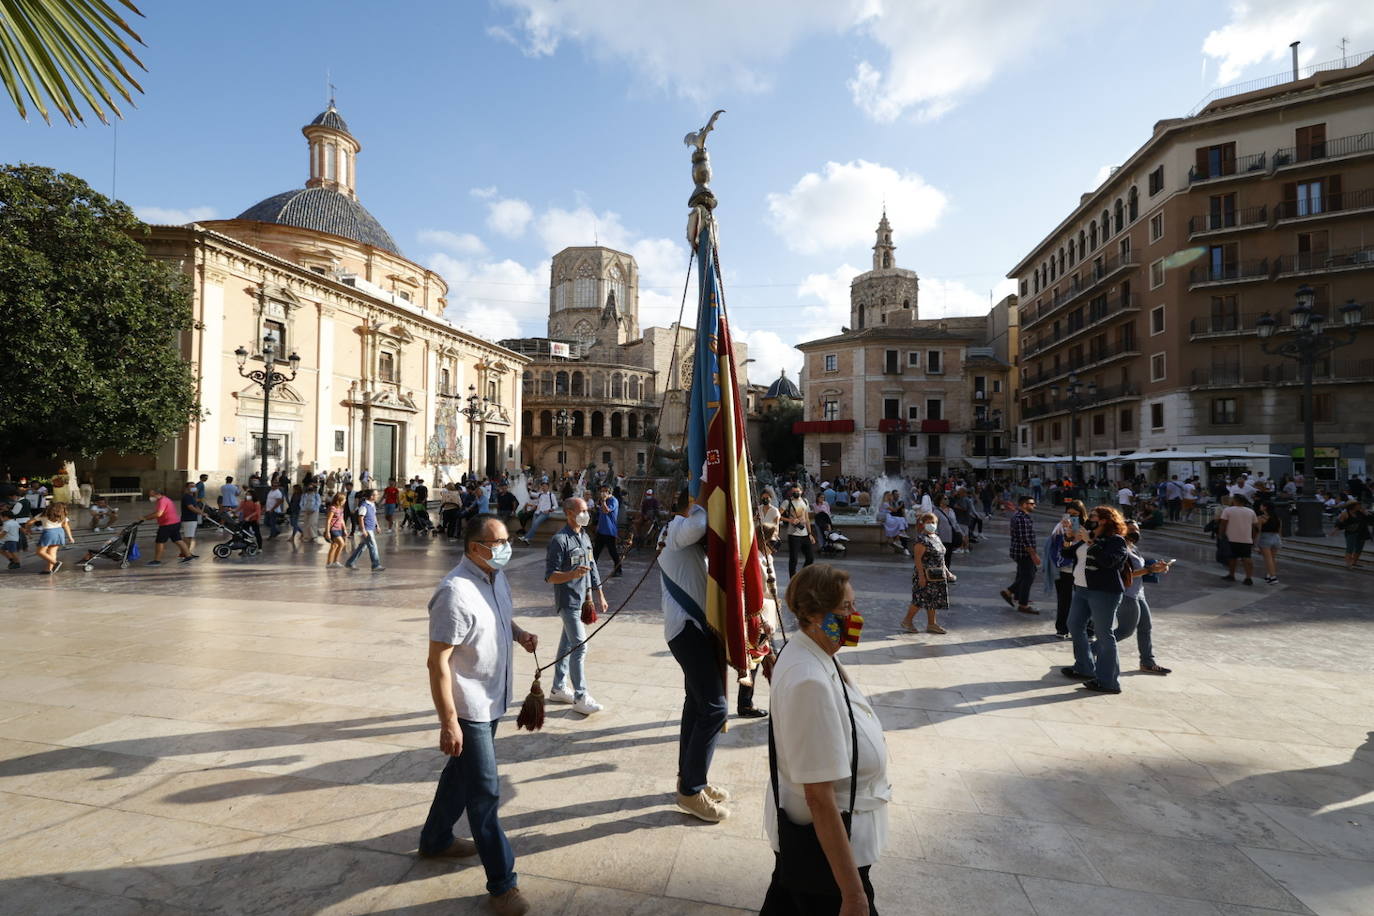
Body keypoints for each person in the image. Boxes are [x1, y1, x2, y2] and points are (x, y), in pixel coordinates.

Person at [418, 515, 536, 916]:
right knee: (485, 793)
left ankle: (435, 839)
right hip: (469, 708)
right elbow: (437, 663)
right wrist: (448, 721)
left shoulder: (493, 577)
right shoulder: (454, 593)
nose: (506, 547)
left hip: (493, 699)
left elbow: (496, 617)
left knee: (460, 776)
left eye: (508, 540)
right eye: (498, 541)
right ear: (474, 548)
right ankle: (503, 885)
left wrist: (517, 632)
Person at [760, 564, 890, 916]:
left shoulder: (817, 653)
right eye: (846, 608)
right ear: (816, 615)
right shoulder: (810, 681)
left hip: (817, 845)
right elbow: (819, 797)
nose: (855, 616)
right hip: (826, 852)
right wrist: (854, 895)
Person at [660, 485, 733, 821]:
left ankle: (689, 779)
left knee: (698, 704)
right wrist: (704, 492)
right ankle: (691, 790)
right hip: (687, 630)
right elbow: (699, 525)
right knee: (715, 709)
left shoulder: (677, 532)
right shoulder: (676, 528)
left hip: (692, 629)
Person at [544, 497, 608, 715]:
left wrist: (599, 593)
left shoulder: (584, 536)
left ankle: (558, 688)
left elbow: (592, 565)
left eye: (587, 510)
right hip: (568, 601)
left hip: (583, 600)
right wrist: (571, 574)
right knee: (580, 646)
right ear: (569, 513)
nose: (586, 513)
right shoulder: (559, 540)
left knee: (567, 645)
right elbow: (550, 576)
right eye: (581, 510)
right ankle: (581, 697)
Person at [1060, 505, 1130, 694]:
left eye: (1093, 516)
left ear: (1105, 520)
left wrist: (1091, 542)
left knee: (1104, 634)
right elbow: (1067, 554)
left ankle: (1108, 682)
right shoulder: (1089, 537)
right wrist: (1068, 537)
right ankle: (1084, 667)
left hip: (1104, 592)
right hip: (1081, 589)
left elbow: (1110, 562)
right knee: (1074, 625)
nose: (1089, 518)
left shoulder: (1116, 541)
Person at [1117, 521, 1172, 675]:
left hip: (1138, 593)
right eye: (1132, 529)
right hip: (1127, 594)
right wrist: (1149, 569)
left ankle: (1147, 662)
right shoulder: (1120, 548)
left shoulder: (1132, 547)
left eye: (1138, 530)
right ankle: (1087, 652)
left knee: (1145, 628)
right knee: (1124, 631)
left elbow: (1140, 568)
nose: (1136, 532)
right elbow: (1125, 574)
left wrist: (1156, 567)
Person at [902, 512, 951, 634]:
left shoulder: (936, 537)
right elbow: (917, 559)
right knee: (920, 599)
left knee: (933, 599)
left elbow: (941, 557)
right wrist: (921, 576)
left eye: (933, 522)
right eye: (928, 522)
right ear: (923, 524)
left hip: (937, 575)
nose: (931, 525)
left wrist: (947, 571)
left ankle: (932, 624)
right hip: (925, 574)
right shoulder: (921, 540)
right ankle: (907, 621)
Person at [1001, 495, 1040, 614]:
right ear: (1024, 505)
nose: (1034, 506)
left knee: (1023, 574)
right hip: (1023, 552)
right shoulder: (1022, 518)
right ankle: (1021, 603)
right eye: (1031, 504)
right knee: (1028, 576)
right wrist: (1034, 555)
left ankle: (1018, 596)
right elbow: (1025, 539)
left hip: (1018, 551)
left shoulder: (1020, 516)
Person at [142, 485, 196, 566]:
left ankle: (157, 560)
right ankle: (188, 556)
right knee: (178, 540)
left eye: (151, 494)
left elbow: (158, 513)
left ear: (156, 494)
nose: (150, 496)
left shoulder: (162, 501)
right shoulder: (165, 499)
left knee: (159, 542)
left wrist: (145, 518)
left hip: (167, 524)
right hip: (175, 523)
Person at [1219, 494, 1258, 585]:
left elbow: (1223, 524)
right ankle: (1248, 577)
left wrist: (1221, 535)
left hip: (1231, 538)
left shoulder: (1228, 510)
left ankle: (1231, 575)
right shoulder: (1251, 511)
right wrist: (1253, 538)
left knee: (1232, 558)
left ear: (1235, 501)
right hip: (1246, 538)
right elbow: (1255, 527)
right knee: (1247, 558)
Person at [26, 502, 74, 574]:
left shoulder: (43, 515)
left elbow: (29, 522)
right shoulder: (62, 515)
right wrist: (70, 537)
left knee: (40, 552)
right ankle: (48, 570)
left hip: (49, 533)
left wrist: (28, 529)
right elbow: (66, 526)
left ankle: (55, 563)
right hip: (60, 532)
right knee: (52, 552)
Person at [779, 485, 815, 577]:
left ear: (801, 491)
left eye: (797, 491)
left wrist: (810, 534)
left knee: (810, 557)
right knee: (794, 559)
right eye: (794, 491)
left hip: (805, 534)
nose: (796, 493)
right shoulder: (787, 502)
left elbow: (807, 518)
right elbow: (778, 516)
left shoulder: (805, 501)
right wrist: (790, 520)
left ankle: (802, 575)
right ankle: (793, 578)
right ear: (791, 492)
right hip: (793, 535)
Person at [345, 489, 384, 571]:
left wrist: (377, 526)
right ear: (371, 496)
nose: (377, 496)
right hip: (367, 529)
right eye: (376, 495)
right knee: (373, 547)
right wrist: (363, 530)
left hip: (370, 528)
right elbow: (360, 518)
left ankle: (350, 562)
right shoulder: (364, 505)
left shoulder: (372, 504)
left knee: (362, 547)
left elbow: (374, 516)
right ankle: (375, 565)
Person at [591, 484, 622, 578]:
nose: (602, 493)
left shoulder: (613, 500)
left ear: (609, 492)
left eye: (604, 491)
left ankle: (618, 570)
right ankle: (591, 569)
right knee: (596, 551)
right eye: (601, 491)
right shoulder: (603, 500)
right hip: (601, 531)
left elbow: (606, 511)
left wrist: (603, 501)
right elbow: (601, 514)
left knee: (613, 552)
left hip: (609, 531)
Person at [1336, 500, 1372, 569]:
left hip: (1362, 532)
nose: (1360, 506)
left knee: (1359, 548)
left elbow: (1370, 520)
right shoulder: (1345, 513)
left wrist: (1366, 513)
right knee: (1350, 548)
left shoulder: (1361, 512)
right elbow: (1339, 523)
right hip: (1351, 533)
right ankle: (1348, 563)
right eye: (1358, 505)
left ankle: (1354, 562)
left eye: (1359, 504)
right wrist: (1336, 530)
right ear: (1352, 506)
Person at [1255, 500, 1282, 585]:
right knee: (1272, 558)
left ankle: (1273, 577)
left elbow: (1258, 532)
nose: (1260, 507)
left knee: (1268, 559)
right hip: (1276, 538)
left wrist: (1256, 544)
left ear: (1265, 507)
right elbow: (1279, 531)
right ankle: (1269, 575)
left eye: (1261, 505)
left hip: (1265, 538)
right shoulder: (1277, 518)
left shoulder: (1261, 518)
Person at [324, 493, 348, 568]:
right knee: (342, 543)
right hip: (333, 529)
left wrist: (344, 529)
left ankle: (328, 563)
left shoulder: (341, 508)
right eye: (344, 499)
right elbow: (328, 520)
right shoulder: (333, 508)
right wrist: (327, 532)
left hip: (339, 529)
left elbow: (342, 520)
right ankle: (335, 561)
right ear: (339, 500)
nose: (345, 500)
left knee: (334, 546)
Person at [180, 481, 204, 555]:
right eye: (191, 486)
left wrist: (202, 513)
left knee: (189, 536)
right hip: (188, 519)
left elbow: (196, 506)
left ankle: (186, 552)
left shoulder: (192, 497)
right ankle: (186, 553)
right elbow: (190, 507)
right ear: (187, 488)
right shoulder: (187, 497)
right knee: (188, 536)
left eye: (194, 486)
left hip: (192, 519)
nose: (193, 488)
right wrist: (199, 512)